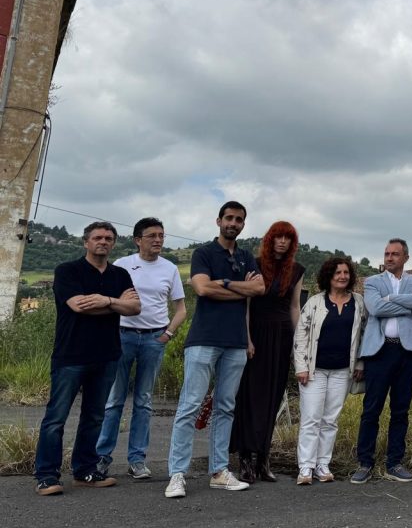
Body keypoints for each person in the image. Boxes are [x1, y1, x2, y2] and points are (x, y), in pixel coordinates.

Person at [165, 201, 265, 499]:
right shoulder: (203, 253)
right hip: (204, 340)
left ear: (243, 224)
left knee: (226, 407)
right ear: (219, 221)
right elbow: (203, 289)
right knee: (190, 405)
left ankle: (219, 471)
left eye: (239, 219)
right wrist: (237, 286)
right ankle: (177, 474)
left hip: (235, 342)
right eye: (229, 218)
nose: (234, 223)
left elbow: (259, 290)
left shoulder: (247, 257)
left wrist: (223, 282)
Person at [34, 222, 141, 495]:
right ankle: (47, 476)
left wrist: (105, 300)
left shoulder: (120, 274)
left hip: (107, 356)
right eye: (97, 238)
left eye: (108, 238)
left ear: (114, 243)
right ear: (86, 242)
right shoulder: (68, 271)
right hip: (71, 355)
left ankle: (85, 471)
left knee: (94, 417)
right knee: (56, 418)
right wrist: (115, 303)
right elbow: (77, 306)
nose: (103, 242)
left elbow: (135, 307)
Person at [96, 217, 185, 481]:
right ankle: (102, 457)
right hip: (122, 336)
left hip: (153, 339)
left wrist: (168, 334)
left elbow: (181, 308)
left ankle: (137, 460)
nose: (157, 240)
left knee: (144, 401)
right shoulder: (122, 266)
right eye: (152, 235)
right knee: (114, 400)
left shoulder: (169, 268)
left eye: (161, 235)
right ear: (137, 239)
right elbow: (108, 301)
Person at [231, 221, 305, 484]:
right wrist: (247, 338)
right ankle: (245, 459)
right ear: (270, 239)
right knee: (251, 396)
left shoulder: (296, 270)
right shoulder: (254, 264)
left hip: (282, 335)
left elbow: (295, 307)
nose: (282, 241)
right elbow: (246, 304)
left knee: (273, 397)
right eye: (278, 237)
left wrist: (299, 344)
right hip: (257, 334)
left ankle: (263, 459)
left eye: (288, 237)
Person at [353, 238, 412, 484]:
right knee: (371, 409)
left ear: (405, 257)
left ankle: (394, 463)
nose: (389, 258)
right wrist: (405, 304)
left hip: (406, 353)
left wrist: (390, 300)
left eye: (395, 254)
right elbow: (374, 309)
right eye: (386, 253)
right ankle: (365, 462)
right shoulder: (373, 282)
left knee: (401, 410)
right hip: (379, 352)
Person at [293, 256, 367, 485]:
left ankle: (322, 465)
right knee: (311, 418)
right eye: (338, 273)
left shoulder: (359, 302)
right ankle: (306, 467)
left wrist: (360, 364)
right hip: (314, 370)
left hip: (342, 371)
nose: (342, 276)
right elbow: (301, 334)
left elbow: (365, 335)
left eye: (346, 273)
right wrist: (301, 366)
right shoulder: (315, 302)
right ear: (329, 276)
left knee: (330, 419)